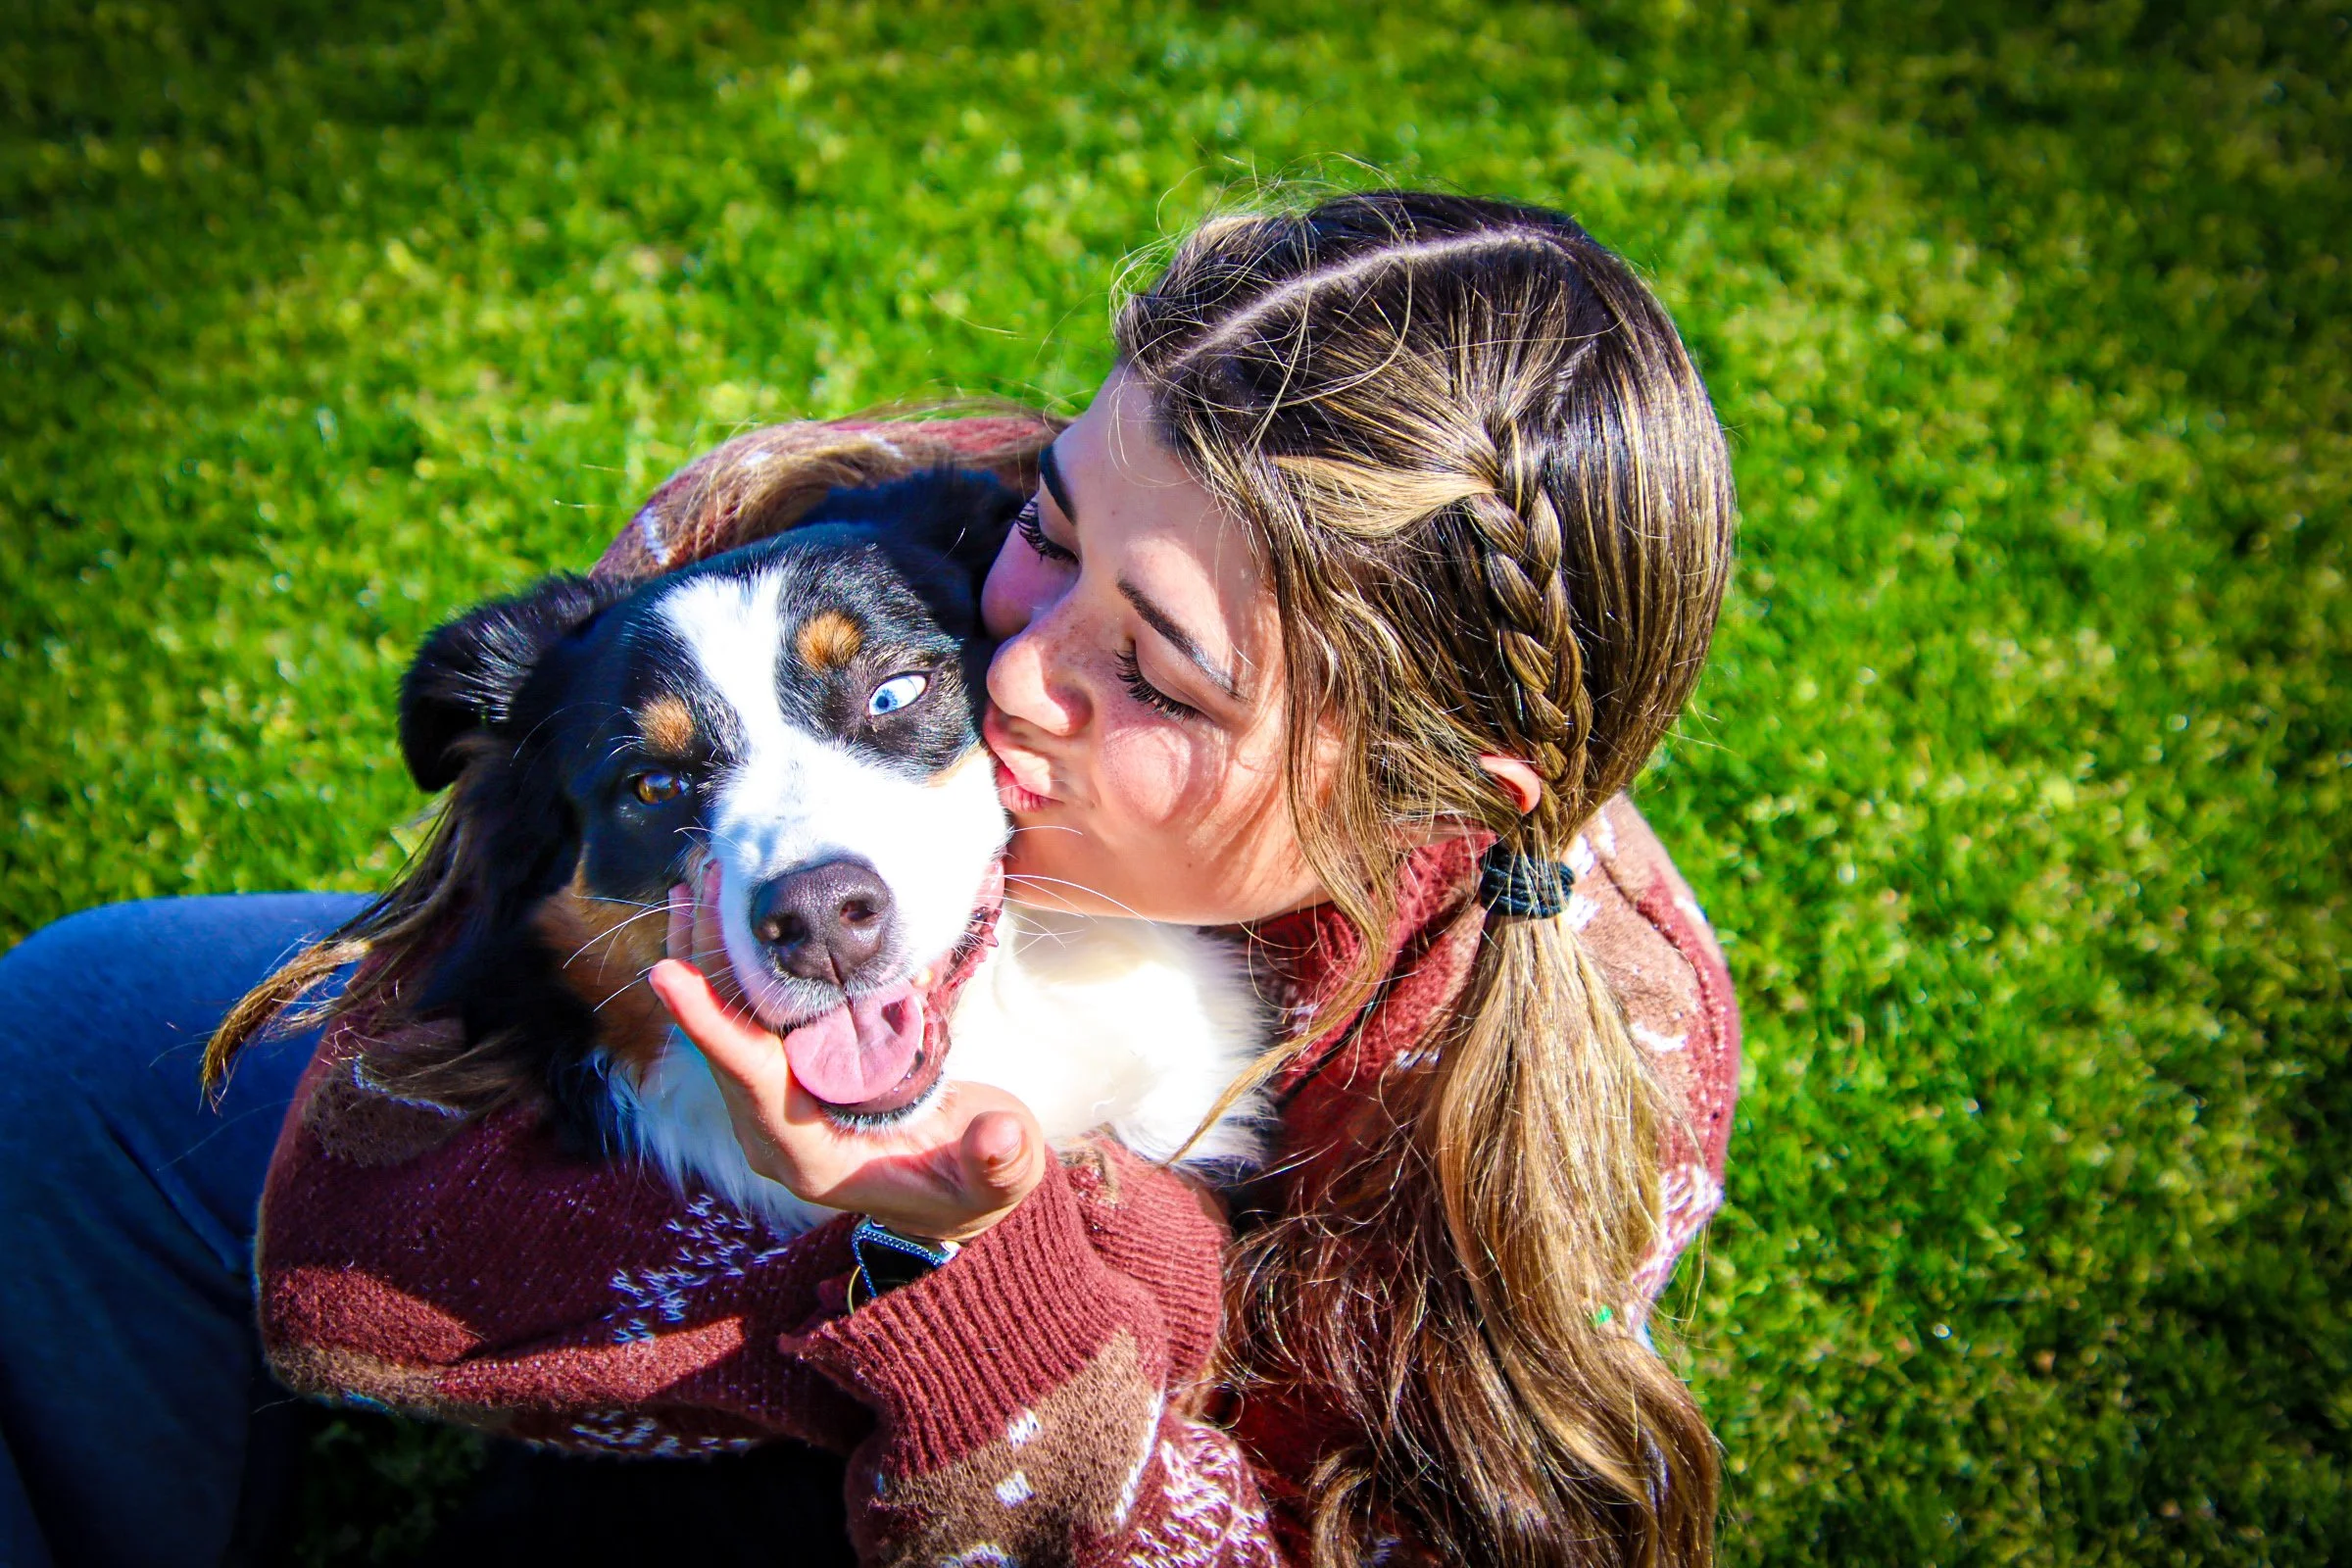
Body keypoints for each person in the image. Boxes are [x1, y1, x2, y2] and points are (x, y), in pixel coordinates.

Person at [0, 189, 1740, 1567]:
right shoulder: (825, 533)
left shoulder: (1596, 1060)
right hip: (670, 1209)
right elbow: (391, 1207)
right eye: (1049, 532)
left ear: (1430, 793)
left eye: (1157, 676)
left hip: (1037, 1380)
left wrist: (991, 1272)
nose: (1021, 671)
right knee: (73, 1035)